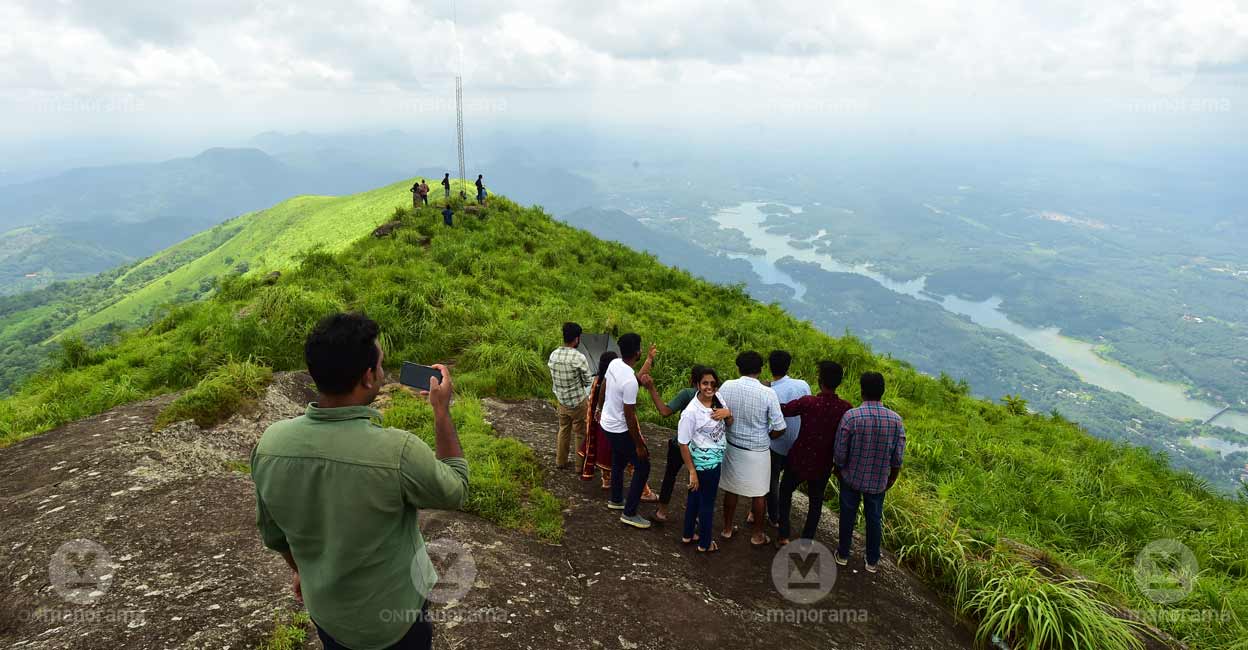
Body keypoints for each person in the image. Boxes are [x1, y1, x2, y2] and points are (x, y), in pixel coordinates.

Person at [252, 312, 468, 650]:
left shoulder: (270, 445)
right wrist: (441, 411)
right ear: (368, 377)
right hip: (395, 623)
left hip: (328, 615)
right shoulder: (398, 451)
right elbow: (456, 488)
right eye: (381, 365)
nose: (383, 372)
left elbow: (275, 534)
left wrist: (302, 572)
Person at [638, 364, 731, 522]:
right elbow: (726, 421)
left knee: (670, 475)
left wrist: (652, 388)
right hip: (702, 449)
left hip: (680, 444)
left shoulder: (687, 394)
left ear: (692, 380)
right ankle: (694, 518)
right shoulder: (714, 396)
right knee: (697, 481)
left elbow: (665, 411)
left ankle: (661, 511)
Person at [834, 372, 906, 573]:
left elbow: (840, 451)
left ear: (862, 391)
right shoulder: (895, 420)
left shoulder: (852, 416)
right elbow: (898, 457)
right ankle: (872, 560)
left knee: (847, 515)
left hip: (851, 477)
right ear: (882, 392)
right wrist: (892, 477)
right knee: (874, 518)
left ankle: (843, 554)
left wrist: (839, 469)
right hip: (878, 481)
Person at [776, 361, 852, 546]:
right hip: (823, 462)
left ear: (820, 381)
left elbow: (784, 409)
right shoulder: (845, 408)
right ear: (838, 383)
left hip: (799, 457)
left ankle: (783, 535)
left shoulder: (809, 402)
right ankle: (807, 540)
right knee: (815, 502)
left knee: (785, 493)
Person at [716, 351, 786, 546]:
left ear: (739, 368)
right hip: (759, 450)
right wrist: (768, 435)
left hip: (733, 445)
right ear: (760, 369)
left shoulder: (728, 386)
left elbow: (717, 410)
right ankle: (757, 535)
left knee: (731, 489)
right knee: (759, 493)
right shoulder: (768, 393)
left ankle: (727, 529)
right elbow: (780, 427)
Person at [677, 367, 731, 553]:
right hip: (706, 462)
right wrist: (692, 471)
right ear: (697, 385)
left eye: (712, 383)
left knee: (694, 497)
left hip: (714, 457)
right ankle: (705, 543)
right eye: (705, 383)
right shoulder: (691, 412)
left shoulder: (718, 398)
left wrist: (727, 413)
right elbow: (683, 443)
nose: (709, 387)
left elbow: (730, 422)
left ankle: (688, 534)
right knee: (708, 502)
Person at [602, 333, 652, 529]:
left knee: (619, 459)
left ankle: (616, 499)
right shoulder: (630, 381)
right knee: (643, 465)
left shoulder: (614, 363)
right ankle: (629, 513)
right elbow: (629, 416)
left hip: (607, 423)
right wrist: (639, 444)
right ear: (637, 352)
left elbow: (604, 386)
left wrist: (599, 409)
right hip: (619, 428)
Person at [765, 350, 811, 527]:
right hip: (798, 443)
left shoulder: (770, 391)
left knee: (772, 481)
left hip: (776, 443)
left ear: (770, 367)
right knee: (786, 485)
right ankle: (781, 517)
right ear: (788, 365)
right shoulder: (803, 385)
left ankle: (774, 517)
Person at [548, 322, 593, 469]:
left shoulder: (554, 355)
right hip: (578, 402)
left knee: (563, 429)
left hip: (561, 400)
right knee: (580, 433)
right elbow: (587, 381)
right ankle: (580, 467)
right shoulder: (578, 357)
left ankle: (561, 461)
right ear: (576, 338)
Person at [579, 352, 618, 487]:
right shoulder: (614, 382)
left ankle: (606, 479)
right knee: (613, 451)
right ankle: (643, 490)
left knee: (602, 449)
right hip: (611, 420)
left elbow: (591, 401)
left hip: (597, 420)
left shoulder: (596, 380)